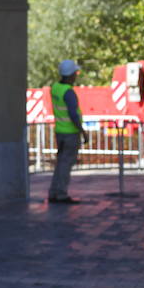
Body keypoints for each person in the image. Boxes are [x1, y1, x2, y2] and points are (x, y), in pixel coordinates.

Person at [49, 59, 88, 204]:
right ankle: (61, 194)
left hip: (59, 131)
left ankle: (54, 192)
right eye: (75, 73)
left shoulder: (55, 88)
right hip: (70, 133)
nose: (76, 76)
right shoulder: (68, 92)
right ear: (70, 75)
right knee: (66, 164)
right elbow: (73, 114)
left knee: (60, 163)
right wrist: (82, 131)